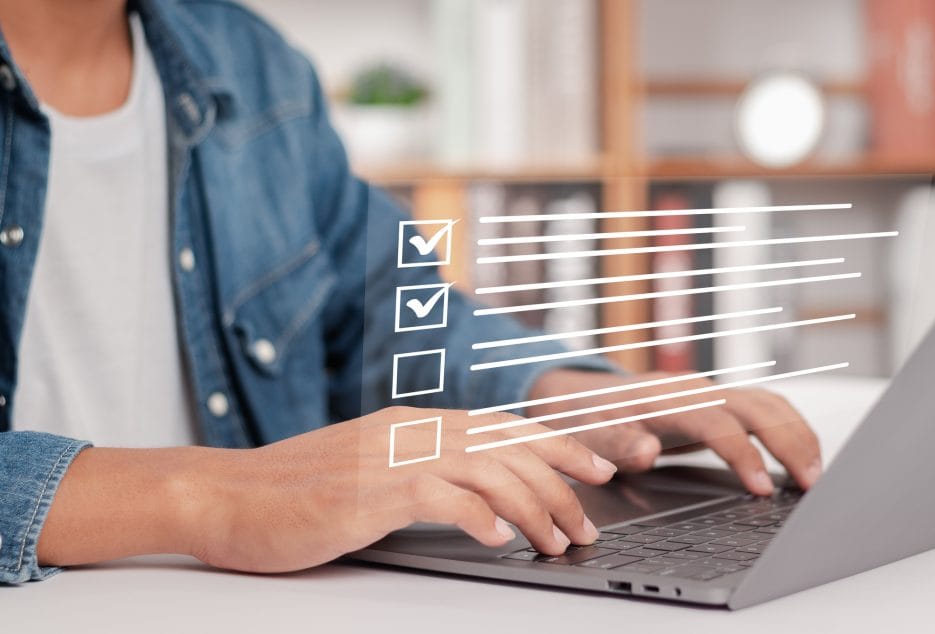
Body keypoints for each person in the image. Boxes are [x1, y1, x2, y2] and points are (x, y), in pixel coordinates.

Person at [0, 0, 821, 585]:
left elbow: (386, 314)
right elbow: (233, 493)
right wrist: (215, 496)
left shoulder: (250, 66)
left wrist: (556, 395)